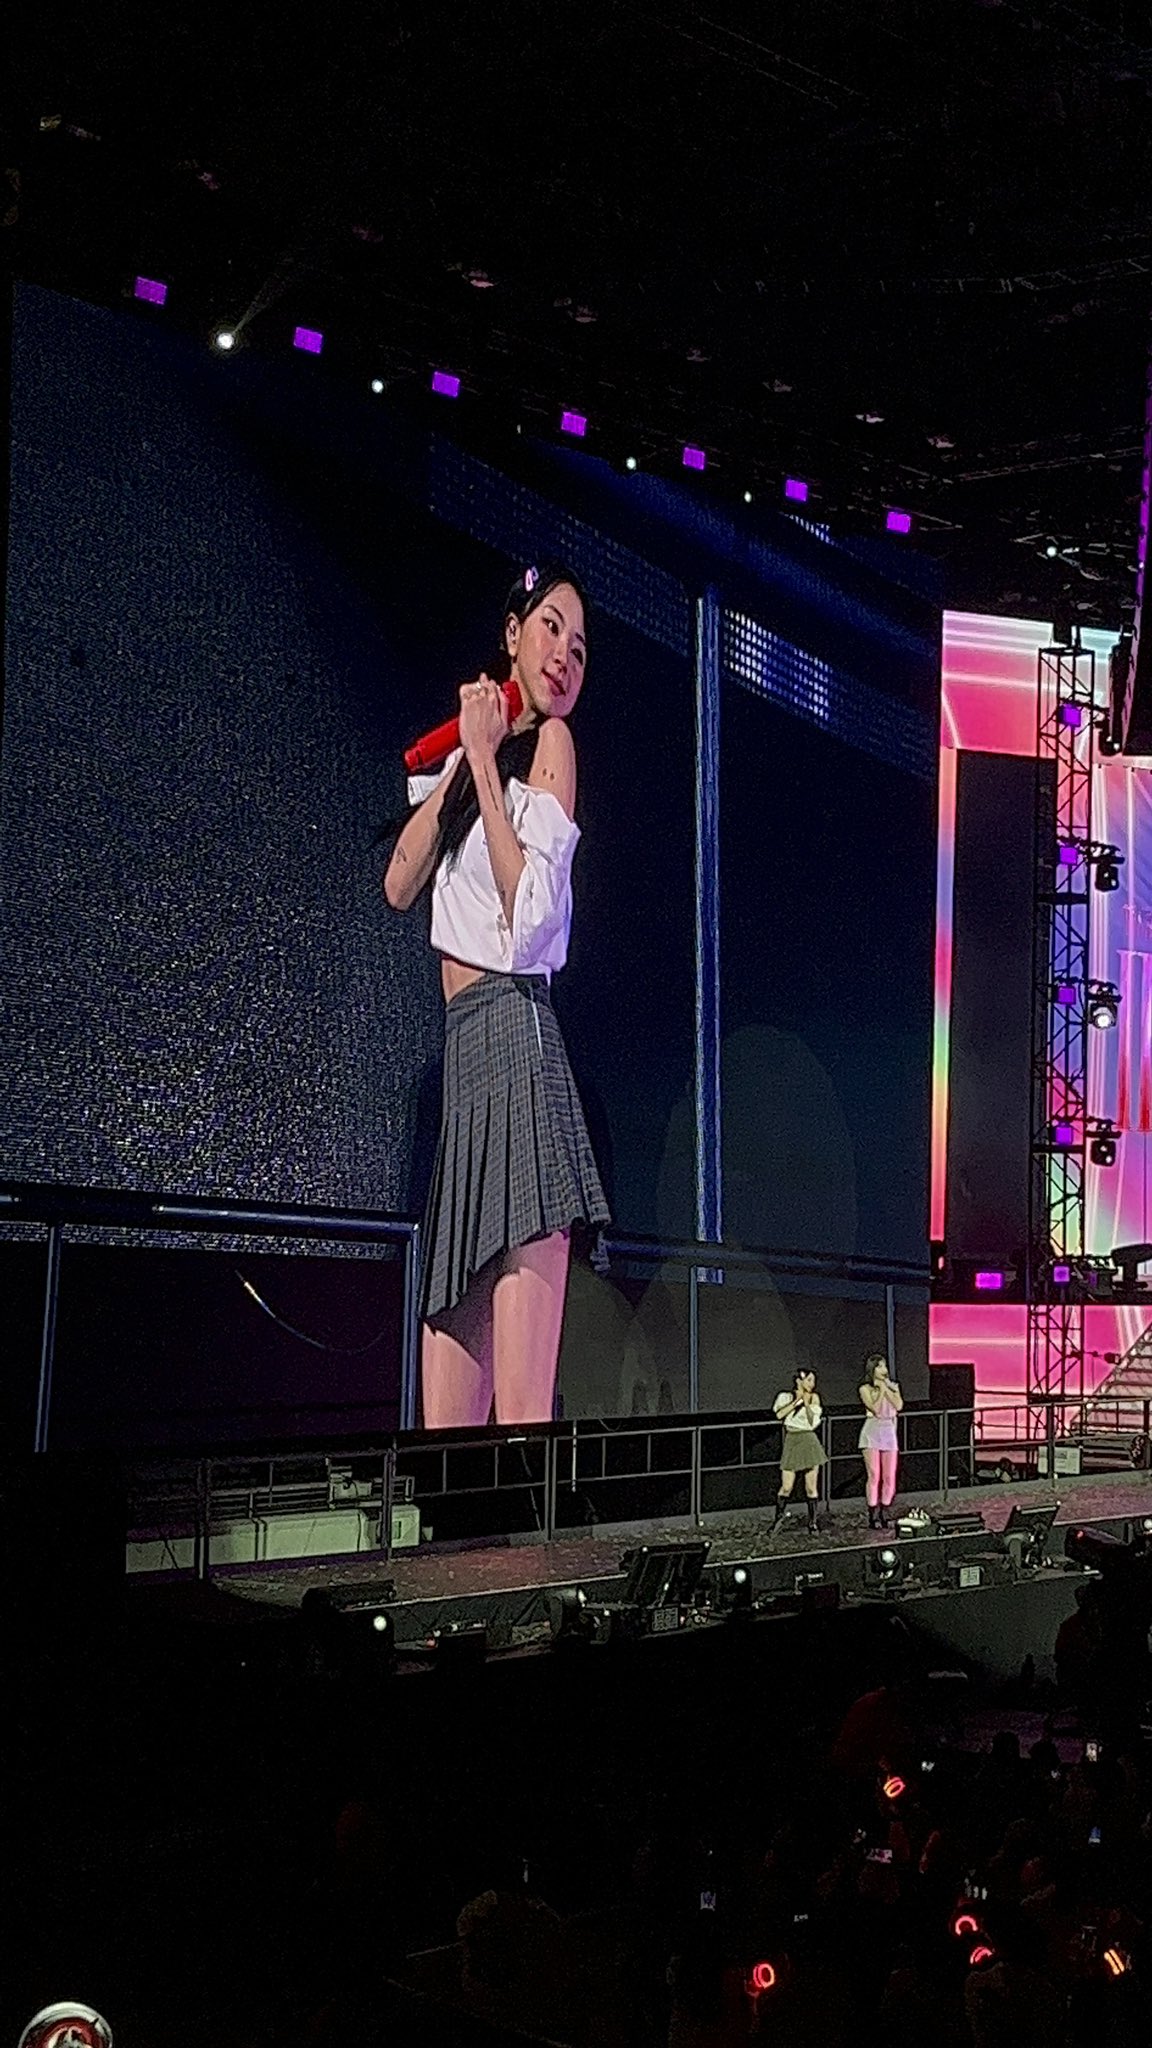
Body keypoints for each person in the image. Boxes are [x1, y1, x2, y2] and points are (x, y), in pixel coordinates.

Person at [384, 563, 609, 1428]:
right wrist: (463, 759)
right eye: (551, 628)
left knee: (520, 1415)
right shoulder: (469, 765)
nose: (564, 656)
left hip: (517, 1041)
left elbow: (531, 919)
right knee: (445, 1425)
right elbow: (399, 885)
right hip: (466, 1068)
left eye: (579, 649)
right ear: (512, 633)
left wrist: (483, 760)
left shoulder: (553, 749)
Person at [771, 1368, 827, 1534]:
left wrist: (807, 1403)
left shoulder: (814, 1398)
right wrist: (797, 1401)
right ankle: (778, 1520)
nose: (812, 1384)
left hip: (808, 1439)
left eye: (813, 1380)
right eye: (809, 1380)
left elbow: (813, 1421)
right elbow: (780, 1415)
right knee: (786, 1486)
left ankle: (812, 1522)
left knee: (811, 1487)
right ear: (799, 1381)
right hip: (792, 1439)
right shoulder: (785, 1397)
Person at [858, 1352, 903, 1528]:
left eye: (884, 1366)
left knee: (889, 1475)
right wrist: (881, 1390)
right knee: (874, 1474)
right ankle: (873, 1514)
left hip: (889, 1431)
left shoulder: (893, 1387)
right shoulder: (865, 1389)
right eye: (880, 1366)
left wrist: (888, 1389)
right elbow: (875, 1408)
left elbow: (898, 1405)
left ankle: (885, 1511)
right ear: (873, 1369)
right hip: (872, 1431)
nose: (884, 1369)